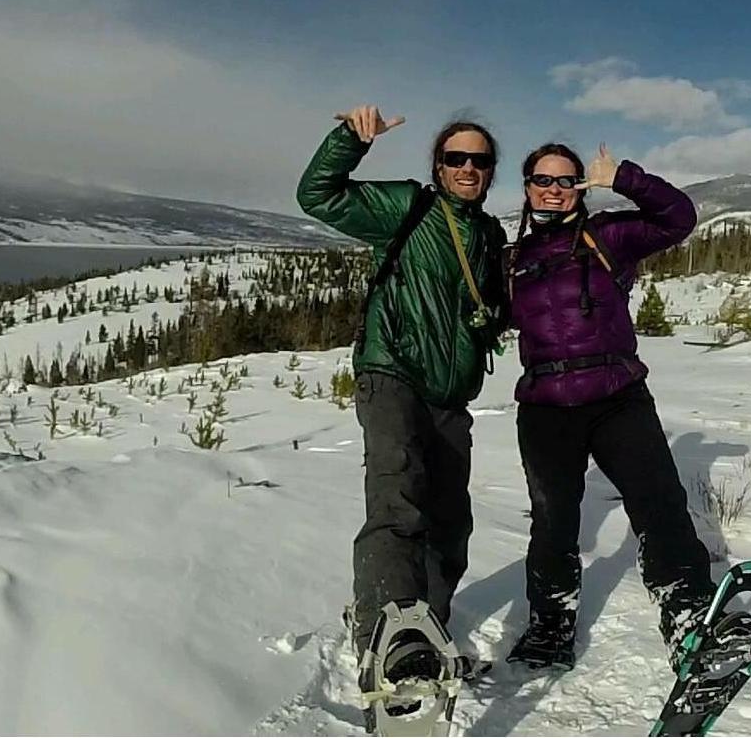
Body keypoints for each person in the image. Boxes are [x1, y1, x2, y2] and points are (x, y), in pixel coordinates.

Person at [296, 105, 507, 678]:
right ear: (438, 166)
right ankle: (388, 640)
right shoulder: (407, 207)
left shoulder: (489, 233)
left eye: (479, 160)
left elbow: (494, 307)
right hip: (391, 373)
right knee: (398, 502)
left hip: (450, 395)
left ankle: (427, 637)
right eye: (455, 158)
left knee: (450, 522)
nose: (467, 167)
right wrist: (349, 140)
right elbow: (318, 195)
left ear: (491, 171)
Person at [504, 141, 716, 672]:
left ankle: (688, 613)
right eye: (541, 180)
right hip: (546, 406)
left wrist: (622, 176)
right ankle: (550, 625)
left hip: (618, 396)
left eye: (565, 180)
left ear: (579, 186)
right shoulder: (511, 261)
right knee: (553, 521)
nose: (553, 190)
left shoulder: (610, 237)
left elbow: (678, 218)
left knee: (659, 504)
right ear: (527, 188)